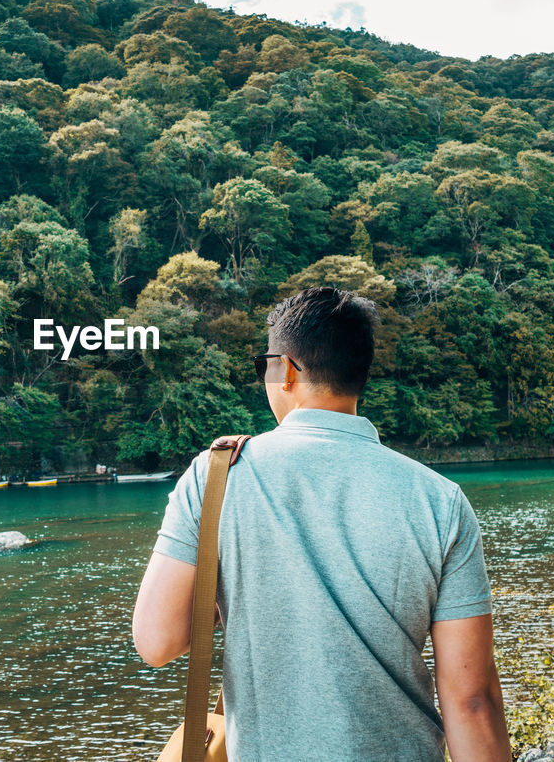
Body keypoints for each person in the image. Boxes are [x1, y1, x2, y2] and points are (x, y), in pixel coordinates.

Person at [133, 286, 510, 761]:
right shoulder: (440, 500)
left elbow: (157, 642)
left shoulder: (216, 478)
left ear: (285, 369)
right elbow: (472, 701)